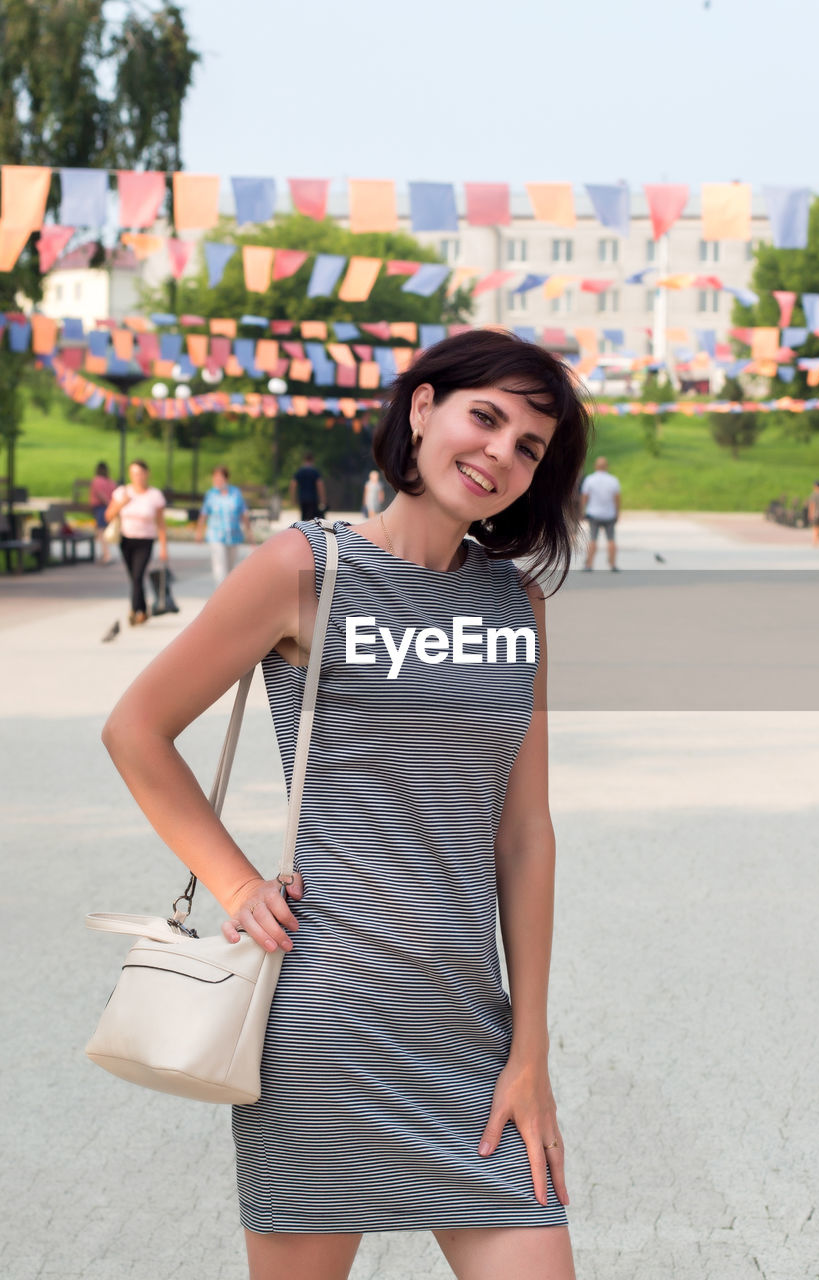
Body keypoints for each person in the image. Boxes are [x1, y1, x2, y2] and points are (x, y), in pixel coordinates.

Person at [101, 330, 591, 1280]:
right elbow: (136, 728)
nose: (499, 453)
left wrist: (528, 1050)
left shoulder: (512, 609)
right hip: (319, 1027)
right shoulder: (305, 569)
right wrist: (236, 883)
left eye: (529, 446)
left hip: (468, 1032)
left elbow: (523, 836)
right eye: (483, 418)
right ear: (422, 409)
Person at [105, 459, 167, 625]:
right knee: (134, 577)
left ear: (147, 474)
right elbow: (108, 515)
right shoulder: (122, 492)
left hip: (145, 540)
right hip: (126, 539)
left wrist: (163, 547)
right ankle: (143, 609)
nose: (137, 477)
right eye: (133, 474)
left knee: (138, 575)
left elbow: (161, 523)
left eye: (140, 473)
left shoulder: (155, 495)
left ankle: (134, 610)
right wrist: (121, 504)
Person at [195, 466, 254, 586]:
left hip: (233, 535)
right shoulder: (211, 494)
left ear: (226, 478)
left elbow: (243, 513)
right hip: (216, 535)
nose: (217, 480)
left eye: (219, 477)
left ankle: (227, 592)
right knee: (219, 566)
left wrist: (249, 533)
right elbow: (204, 514)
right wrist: (199, 531)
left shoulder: (235, 493)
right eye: (215, 477)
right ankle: (220, 594)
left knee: (230, 568)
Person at [581, 455, 621, 571]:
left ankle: (589, 564)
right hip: (609, 514)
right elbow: (617, 498)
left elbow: (584, 497)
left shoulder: (589, 479)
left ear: (596, 466)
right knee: (611, 539)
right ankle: (613, 564)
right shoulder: (613, 480)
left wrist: (583, 510)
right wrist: (617, 512)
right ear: (606, 467)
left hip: (594, 514)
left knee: (593, 539)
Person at [89, 461, 117, 564]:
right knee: (105, 531)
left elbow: (100, 495)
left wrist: (108, 504)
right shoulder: (110, 481)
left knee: (101, 532)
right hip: (109, 507)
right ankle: (106, 553)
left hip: (102, 507)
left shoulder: (97, 481)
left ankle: (106, 554)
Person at [289, 451, 327, 521]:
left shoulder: (300, 471)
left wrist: (293, 498)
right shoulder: (315, 471)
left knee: (304, 519)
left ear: (304, 460)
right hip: (313, 499)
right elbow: (320, 485)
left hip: (303, 498)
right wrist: (323, 499)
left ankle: (304, 530)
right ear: (312, 460)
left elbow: (293, 484)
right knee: (313, 519)